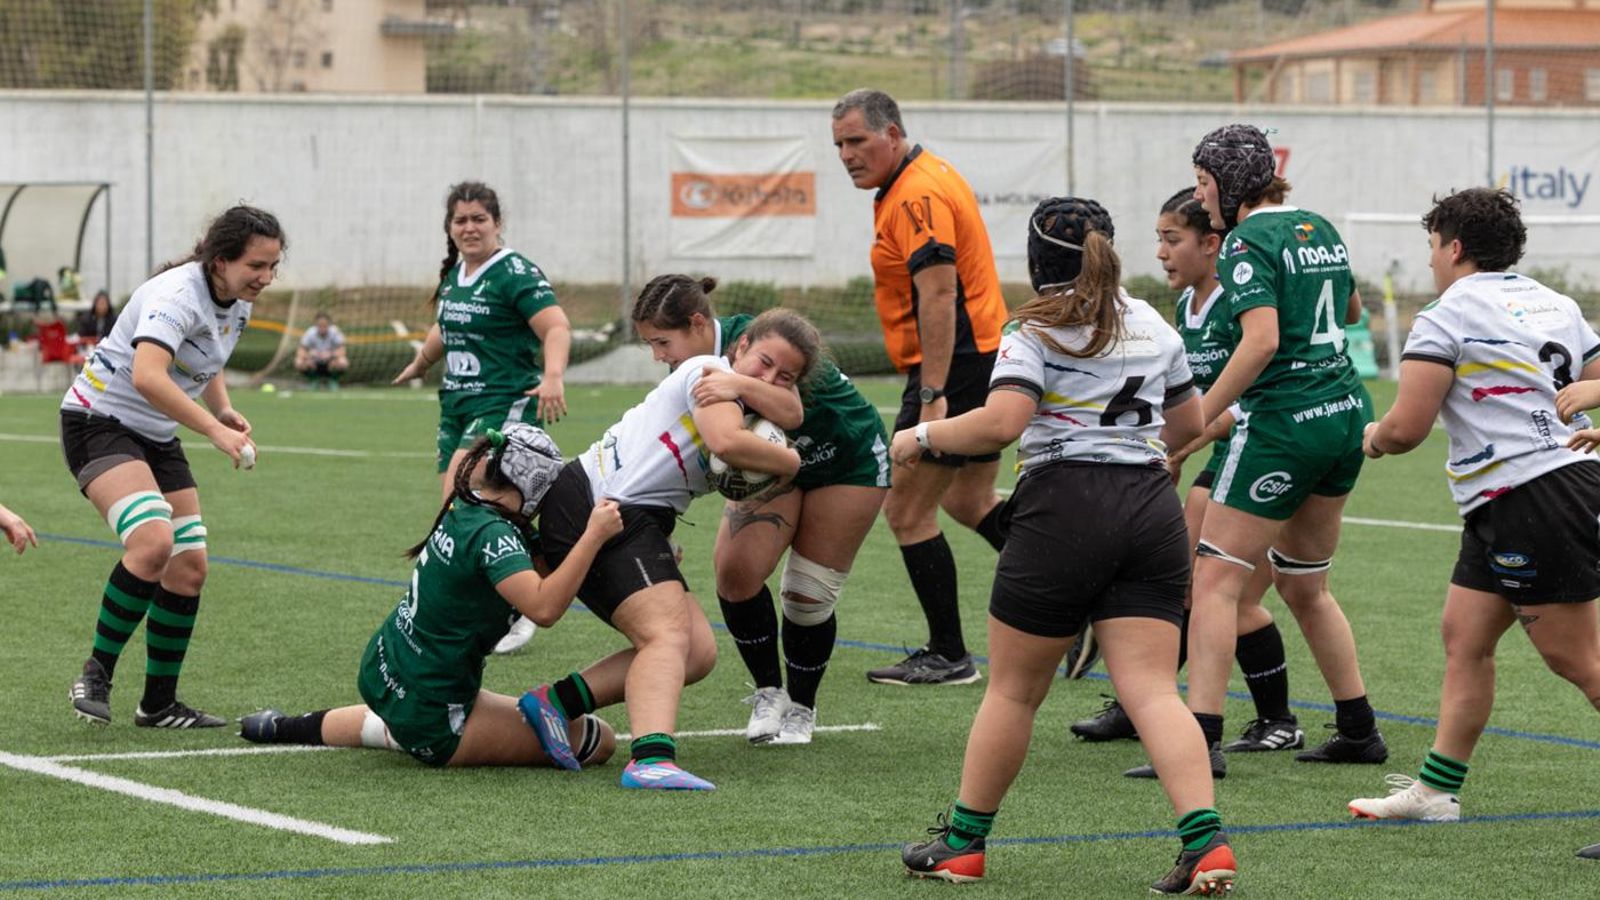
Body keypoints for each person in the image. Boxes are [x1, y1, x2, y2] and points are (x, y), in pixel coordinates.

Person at [893, 197, 1235, 894]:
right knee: (1150, 688)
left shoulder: (1034, 327)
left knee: (1016, 691)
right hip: (1148, 506)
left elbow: (1002, 422)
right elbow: (1190, 423)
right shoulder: (1153, 323)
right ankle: (1206, 842)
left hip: (1063, 508)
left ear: (1037, 259)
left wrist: (919, 437)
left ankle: (963, 844)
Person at [1348, 189, 1600, 863]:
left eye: (1433, 245)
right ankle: (1437, 790)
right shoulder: (1556, 302)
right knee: (1465, 637)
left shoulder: (1448, 312)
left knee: (1581, 663)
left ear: (1454, 247)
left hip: (1531, 495)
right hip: (1533, 490)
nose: (1431, 260)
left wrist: (1372, 438)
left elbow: (1407, 427)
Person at [522, 304, 817, 791]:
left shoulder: (741, 391)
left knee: (697, 653)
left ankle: (555, 703)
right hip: (599, 505)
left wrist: (754, 393)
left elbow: (794, 411)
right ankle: (651, 758)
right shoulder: (712, 372)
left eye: (786, 375)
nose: (772, 378)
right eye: (763, 362)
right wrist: (789, 463)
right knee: (667, 636)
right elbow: (723, 441)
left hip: (633, 517)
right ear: (740, 346)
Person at [239, 426, 623, 769]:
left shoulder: (468, 505)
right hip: (432, 707)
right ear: (532, 486)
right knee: (597, 738)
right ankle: (407, 734)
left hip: (386, 668)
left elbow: (554, 570)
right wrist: (594, 535)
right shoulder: (496, 534)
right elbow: (545, 607)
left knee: (414, 713)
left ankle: (281, 727)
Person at [1074, 188, 1302, 763]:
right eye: (1157, 239)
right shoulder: (1188, 309)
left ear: (1212, 244)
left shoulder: (1239, 303)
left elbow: (1237, 405)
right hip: (1227, 453)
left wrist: (1176, 449)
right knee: (1196, 584)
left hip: (1265, 449)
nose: (1160, 253)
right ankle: (1145, 701)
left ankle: (1275, 717)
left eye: (1171, 239)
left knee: (1223, 590)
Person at [1184, 123, 1385, 769]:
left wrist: (1197, 418)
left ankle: (1200, 739)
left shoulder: (1247, 239)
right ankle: (1359, 730)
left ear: (1230, 183)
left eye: (1204, 182)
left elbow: (1262, 341)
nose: (1201, 195)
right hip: (1346, 411)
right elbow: (1352, 311)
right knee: (1306, 586)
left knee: (1214, 578)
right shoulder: (1320, 227)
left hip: (1287, 422)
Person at [631, 275, 890, 745]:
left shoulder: (770, 339)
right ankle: (770, 693)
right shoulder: (694, 363)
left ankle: (803, 708)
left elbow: (786, 410)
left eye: (663, 342)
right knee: (735, 573)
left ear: (697, 325)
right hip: (774, 462)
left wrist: (737, 380)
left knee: (807, 594)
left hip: (845, 459)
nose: (660, 355)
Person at [60, 205, 283, 728]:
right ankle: (95, 672)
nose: (266, 278)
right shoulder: (176, 295)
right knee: (153, 542)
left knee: (188, 567)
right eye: (256, 265)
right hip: (99, 422)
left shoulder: (235, 300)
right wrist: (213, 429)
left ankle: (158, 704)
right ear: (220, 259)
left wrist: (223, 406)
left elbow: (206, 359)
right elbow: (148, 376)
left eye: (273, 267)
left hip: (155, 433)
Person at [830, 88, 1010, 686]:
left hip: (953, 364)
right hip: (976, 356)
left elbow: (939, 293)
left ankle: (950, 653)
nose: (847, 155)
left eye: (857, 141)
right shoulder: (916, 178)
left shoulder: (917, 192)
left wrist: (932, 395)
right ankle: (1083, 594)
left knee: (906, 509)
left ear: (892, 134)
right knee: (968, 500)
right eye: (839, 145)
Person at [392, 181, 573, 655]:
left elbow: (555, 325)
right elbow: (445, 325)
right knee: (458, 511)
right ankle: (492, 603)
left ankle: (520, 605)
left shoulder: (513, 271)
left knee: (469, 503)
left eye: (478, 219)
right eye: (460, 220)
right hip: (456, 405)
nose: (469, 227)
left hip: (503, 401)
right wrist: (422, 362)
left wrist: (553, 375)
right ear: (449, 228)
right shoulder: (457, 274)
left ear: (497, 223)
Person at [294, 311, 349, 390]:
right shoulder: (310, 332)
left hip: (330, 362)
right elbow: (300, 351)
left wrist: (331, 354)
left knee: (343, 361)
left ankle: (333, 380)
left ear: (329, 325)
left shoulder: (335, 331)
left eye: (325, 325)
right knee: (299, 361)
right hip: (315, 362)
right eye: (320, 325)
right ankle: (313, 380)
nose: (322, 328)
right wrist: (309, 355)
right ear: (316, 325)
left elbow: (342, 350)